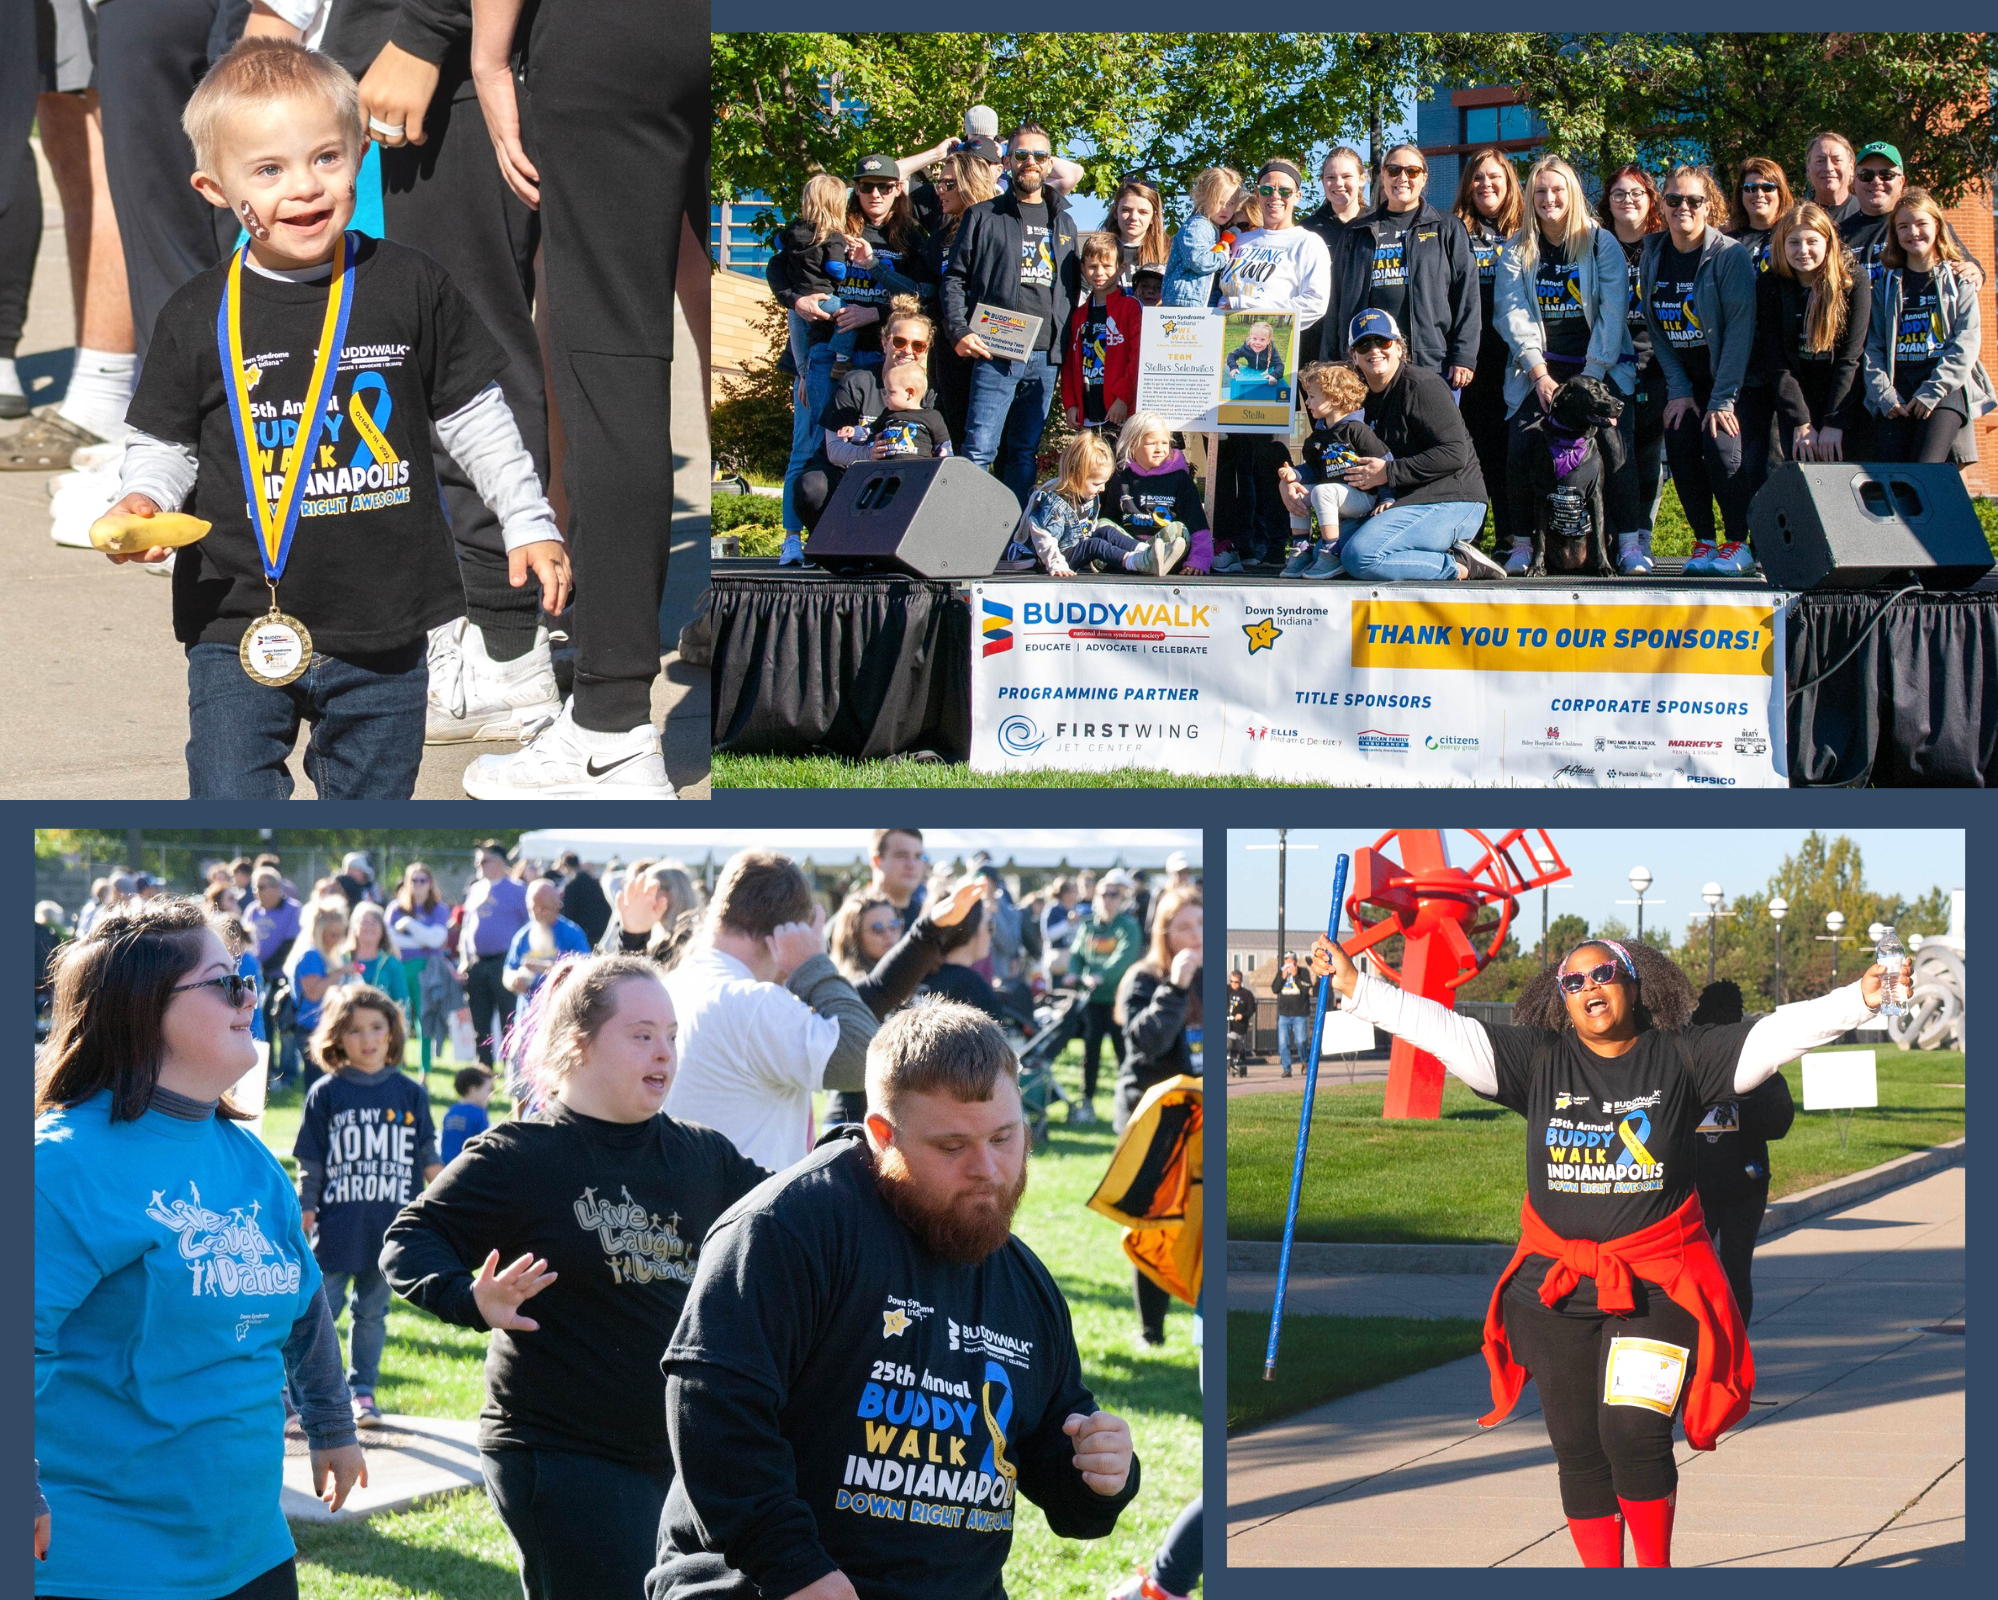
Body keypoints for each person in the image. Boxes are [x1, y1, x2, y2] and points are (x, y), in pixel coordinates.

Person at [1308, 931, 1891, 1567]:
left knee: (1634, 1433)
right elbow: (1448, 1032)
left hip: (1656, 1285)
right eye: (1574, 981)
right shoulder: (1538, 1060)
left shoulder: (1683, 1056)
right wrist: (1358, 990)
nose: (1590, 987)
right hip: (1555, 1289)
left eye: (1605, 973)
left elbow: (1776, 1035)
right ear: (1561, 999)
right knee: (1579, 1448)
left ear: (1636, 984)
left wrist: (1859, 999)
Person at [104, 37, 570, 802]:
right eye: (268, 170)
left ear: (360, 152)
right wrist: (144, 498)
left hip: (388, 624)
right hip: (237, 619)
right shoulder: (197, 314)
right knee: (229, 799)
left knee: (373, 807)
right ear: (215, 189)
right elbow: (165, 440)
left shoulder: (408, 284)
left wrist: (527, 518)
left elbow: (477, 418)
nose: (305, 188)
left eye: (326, 157)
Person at [649, 999, 1141, 1599]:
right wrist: (796, 1568)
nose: (987, 1168)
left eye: (1005, 1136)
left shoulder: (1025, 1283)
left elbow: (1052, 1453)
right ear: (883, 1135)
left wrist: (1099, 1469)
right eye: (952, 1146)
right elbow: (714, 1409)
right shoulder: (787, 1228)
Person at [382, 955, 769, 1600]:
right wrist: (470, 1298)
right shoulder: (521, 1156)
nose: (665, 1053)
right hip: (558, 1449)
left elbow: (784, 1217)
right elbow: (411, 1238)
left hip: (671, 1448)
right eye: (642, 1034)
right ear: (577, 1044)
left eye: (672, 1035)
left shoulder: (703, 1155)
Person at [35, 900, 365, 1599]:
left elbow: (304, 1309)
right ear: (142, 1006)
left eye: (245, 977)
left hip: (249, 1551)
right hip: (102, 1564)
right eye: (226, 983)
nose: (251, 995)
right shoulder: (60, 1167)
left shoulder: (246, 1158)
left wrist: (333, 1422)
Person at [463, 0, 704, 800]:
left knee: (613, 360)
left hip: (614, 35)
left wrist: (491, 55)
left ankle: (610, 727)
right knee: (728, 314)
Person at [661, 848, 879, 1171]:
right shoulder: (752, 1001)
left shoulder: (676, 982)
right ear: (790, 931)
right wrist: (812, 963)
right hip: (744, 1211)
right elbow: (867, 1057)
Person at [295, 983, 440, 1425]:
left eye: (377, 1027)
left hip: (390, 1229)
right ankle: (300, 1394)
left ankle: (363, 1393)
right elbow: (311, 1160)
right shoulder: (326, 1092)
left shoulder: (410, 1093)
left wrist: (449, 1202)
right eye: (356, 1030)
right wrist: (306, 1210)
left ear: (393, 1034)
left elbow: (429, 1157)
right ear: (338, 1037)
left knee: (373, 1313)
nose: (368, 1038)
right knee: (321, 1313)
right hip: (337, 1227)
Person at [1493, 155, 1636, 574]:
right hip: (1537, 370)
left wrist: (1589, 379)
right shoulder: (1518, 248)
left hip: (1598, 367)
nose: (1548, 198)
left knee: (1614, 447)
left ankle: (1626, 543)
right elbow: (1511, 312)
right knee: (1522, 445)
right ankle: (1522, 542)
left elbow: (1613, 311)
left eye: (1557, 189)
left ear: (1571, 193)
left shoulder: (1599, 242)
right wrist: (1540, 375)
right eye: (1540, 191)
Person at [942, 121, 1081, 504]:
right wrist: (958, 330)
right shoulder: (982, 215)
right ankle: (965, 539)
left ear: (1049, 163)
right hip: (994, 348)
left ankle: (1013, 539)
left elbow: (1072, 289)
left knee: (1023, 454)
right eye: (1021, 155)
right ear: (1006, 161)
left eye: (1038, 155)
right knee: (978, 450)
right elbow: (953, 279)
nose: (1030, 162)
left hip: (1045, 355)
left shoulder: (1064, 221)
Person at [1316, 309, 1504, 582]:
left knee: (1361, 557)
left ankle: (1463, 564)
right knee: (1328, 553)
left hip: (1453, 498)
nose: (1374, 350)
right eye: (1364, 344)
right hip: (1402, 500)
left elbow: (1454, 453)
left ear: (1399, 347)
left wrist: (1388, 473)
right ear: (1353, 355)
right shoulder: (1359, 397)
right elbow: (1341, 457)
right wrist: (1300, 483)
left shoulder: (1422, 386)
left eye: (1383, 341)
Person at [1211, 159, 1332, 568]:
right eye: (1266, 189)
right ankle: (1237, 541)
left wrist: (1260, 315)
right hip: (1232, 359)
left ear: (1298, 196)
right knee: (1234, 452)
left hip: (1273, 360)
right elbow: (1221, 291)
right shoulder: (1241, 241)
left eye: (1284, 190)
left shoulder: (1307, 242)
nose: (1274, 197)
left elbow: (1315, 303)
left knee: (1266, 452)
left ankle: (1273, 541)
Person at [1641, 165, 1757, 577]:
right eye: (1674, 200)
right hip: (1683, 381)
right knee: (1679, 443)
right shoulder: (1653, 253)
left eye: (1693, 200)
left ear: (1709, 205)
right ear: (1663, 205)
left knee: (1723, 453)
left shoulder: (1729, 255)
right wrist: (1678, 389)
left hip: (1726, 379)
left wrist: (1722, 398)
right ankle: (1705, 541)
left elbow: (1740, 332)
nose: (1683, 208)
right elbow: (1656, 328)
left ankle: (1738, 543)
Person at [1114, 884, 1202, 1346]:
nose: (1195, 935)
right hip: (1151, 1117)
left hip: (1199, 1119)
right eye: (1184, 926)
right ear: (1164, 933)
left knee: (1197, 1220)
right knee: (1153, 1221)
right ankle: (1152, 1329)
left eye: (1202, 924)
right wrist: (1175, 987)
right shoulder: (1144, 978)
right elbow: (1147, 1043)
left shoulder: (1213, 976)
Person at [1327, 144, 1479, 393]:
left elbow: (1468, 298)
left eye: (1412, 171)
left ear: (1424, 178)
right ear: (1383, 176)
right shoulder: (1357, 232)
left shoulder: (1447, 228)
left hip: (1432, 362)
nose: (1402, 178)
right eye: (1394, 170)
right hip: (1368, 362)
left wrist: (1464, 355)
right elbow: (1337, 302)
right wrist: (1333, 360)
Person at [790, 299, 944, 544]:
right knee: (811, 486)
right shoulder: (856, 382)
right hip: (852, 477)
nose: (908, 351)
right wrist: (868, 453)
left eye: (918, 345)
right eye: (900, 341)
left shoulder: (931, 393)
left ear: (926, 350)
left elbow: (941, 452)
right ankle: (829, 543)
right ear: (884, 343)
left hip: (902, 481)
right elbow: (834, 450)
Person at [1863, 186, 1997, 464]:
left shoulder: (1959, 281)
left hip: (1943, 392)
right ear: (1895, 234)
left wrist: (1932, 390)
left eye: (1921, 223)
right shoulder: (1886, 286)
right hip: (1898, 395)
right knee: (1889, 477)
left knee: (1926, 473)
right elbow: (1873, 347)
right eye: (1903, 226)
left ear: (1937, 225)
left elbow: (1967, 341)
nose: (1913, 232)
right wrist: (1884, 395)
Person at [1687, 981, 1794, 1325]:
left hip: (1741, 1185)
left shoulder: (1752, 1060)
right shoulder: (1687, 1055)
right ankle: (1720, 1349)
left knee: (1731, 1271)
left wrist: (1743, 1098)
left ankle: (1729, 1351)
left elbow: (1778, 1122)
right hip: (1697, 1187)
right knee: (1713, 1273)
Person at [1739, 203, 1869, 472]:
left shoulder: (1852, 280)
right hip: (1796, 401)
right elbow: (1777, 360)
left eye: (1812, 241)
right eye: (1794, 242)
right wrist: (1800, 421)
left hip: (1841, 400)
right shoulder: (1770, 283)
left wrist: (1835, 423)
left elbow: (1850, 358)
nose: (1803, 250)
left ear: (1828, 241)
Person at [1453, 147, 1527, 561]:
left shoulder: (1527, 230)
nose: (1486, 184)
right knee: (1474, 452)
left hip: (1516, 357)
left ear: (1509, 181)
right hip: (1470, 359)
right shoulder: (1454, 230)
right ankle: (1473, 537)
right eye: (1478, 177)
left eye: (1494, 176)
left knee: (1513, 450)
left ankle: (1515, 536)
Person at [1599, 164, 1668, 575]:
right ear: (1608, 202)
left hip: (1657, 363)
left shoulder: (1663, 245)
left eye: (1637, 193)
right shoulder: (1596, 245)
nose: (1628, 200)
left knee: (1649, 455)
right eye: (1619, 193)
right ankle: (1612, 537)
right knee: (1613, 455)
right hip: (1610, 362)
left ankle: (1641, 535)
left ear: (1651, 200)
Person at [1006, 429, 1187, 577]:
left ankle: (1145, 551)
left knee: (1105, 530)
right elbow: (1044, 538)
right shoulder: (1055, 504)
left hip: (1076, 545)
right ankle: (1138, 562)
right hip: (1057, 558)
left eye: (1103, 483)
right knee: (1095, 545)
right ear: (1074, 477)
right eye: (1096, 484)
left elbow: (1090, 528)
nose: (1101, 489)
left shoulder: (1087, 494)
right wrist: (1056, 564)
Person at [914, 149, 999, 453]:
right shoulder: (939, 237)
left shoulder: (999, 226)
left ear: (971, 185)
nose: (939, 191)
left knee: (994, 442)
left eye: (948, 184)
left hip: (994, 344)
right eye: (939, 183)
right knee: (959, 436)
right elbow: (929, 288)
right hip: (950, 347)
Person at [1276, 361, 1388, 578]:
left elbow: (1385, 463)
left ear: (1335, 399)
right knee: (1298, 491)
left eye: (1312, 396)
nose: (1307, 402)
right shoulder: (1318, 436)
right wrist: (1295, 475)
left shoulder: (1358, 431)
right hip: (1333, 497)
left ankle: (1332, 551)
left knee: (1322, 491)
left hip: (1363, 498)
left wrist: (1387, 498)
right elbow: (1314, 469)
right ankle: (1301, 548)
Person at [1067, 870, 1145, 1127]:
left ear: (1121, 898)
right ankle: (1086, 1102)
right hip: (1092, 1000)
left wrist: (1100, 975)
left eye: (1114, 894)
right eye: (1103, 893)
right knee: (1091, 1052)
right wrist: (1075, 973)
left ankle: (1131, 1103)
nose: (1108, 899)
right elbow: (1077, 954)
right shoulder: (1088, 925)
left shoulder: (1128, 926)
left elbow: (1124, 957)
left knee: (1124, 1052)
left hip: (1118, 1001)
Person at [1105, 412, 1212, 574]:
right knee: (1103, 525)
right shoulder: (1121, 477)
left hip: (1166, 549)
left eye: (1164, 443)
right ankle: (1139, 560)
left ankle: (1151, 561)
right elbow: (1111, 517)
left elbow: (1197, 522)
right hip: (1131, 548)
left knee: (1179, 529)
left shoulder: (1179, 479)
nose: (1160, 449)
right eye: (1151, 443)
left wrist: (1199, 560)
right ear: (1132, 445)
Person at [1063, 233, 1141, 434]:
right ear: (1083, 269)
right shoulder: (1079, 314)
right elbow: (1070, 362)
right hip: (1088, 413)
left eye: (1107, 266)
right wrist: (1071, 403)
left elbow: (1138, 357)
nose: (1099, 273)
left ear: (1121, 268)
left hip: (1120, 412)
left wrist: (1123, 398)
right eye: (1092, 266)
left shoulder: (1130, 308)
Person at [460, 842, 529, 1067]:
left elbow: (529, 927)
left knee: (508, 1020)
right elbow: (466, 927)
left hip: (505, 962)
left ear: (499, 862)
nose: (479, 865)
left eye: (484, 860)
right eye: (478, 861)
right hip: (478, 964)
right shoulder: (476, 889)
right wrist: (464, 958)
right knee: (480, 1021)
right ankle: (484, 1069)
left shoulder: (518, 890)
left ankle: (512, 1069)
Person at [392, 860, 458, 1075]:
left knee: (425, 1020)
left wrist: (409, 926)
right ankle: (396, 1066)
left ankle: (425, 1071)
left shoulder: (438, 909)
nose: (419, 884)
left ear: (430, 883)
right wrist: (422, 939)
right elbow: (391, 939)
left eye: (423, 879)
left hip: (428, 970)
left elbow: (437, 939)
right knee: (398, 1018)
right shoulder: (396, 908)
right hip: (400, 968)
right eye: (414, 880)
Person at [285, 898, 351, 1096]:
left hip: (328, 1026)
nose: (337, 940)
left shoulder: (328, 954)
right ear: (319, 932)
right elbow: (313, 993)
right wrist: (339, 973)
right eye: (332, 935)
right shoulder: (310, 955)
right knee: (318, 1086)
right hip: (312, 1029)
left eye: (340, 935)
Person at [1162, 165, 1241, 308]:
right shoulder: (1198, 226)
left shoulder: (1212, 226)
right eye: (1219, 202)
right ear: (1203, 199)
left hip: (1197, 297)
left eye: (1231, 203)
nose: (1225, 208)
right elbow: (1197, 260)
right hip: (1185, 299)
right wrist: (1222, 257)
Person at [504, 879, 594, 1001]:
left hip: (559, 1009)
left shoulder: (572, 933)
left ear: (557, 905)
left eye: (544, 908)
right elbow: (508, 971)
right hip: (528, 1012)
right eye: (533, 908)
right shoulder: (523, 935)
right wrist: (514, 980)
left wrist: (548, 969)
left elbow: (586, 970)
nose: (538, 912)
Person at [340, 900, 411, 1026]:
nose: (369, 927)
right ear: (354, 927)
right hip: (347, 1026)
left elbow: (402, 1001)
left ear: (383, 930)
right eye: (364, 922)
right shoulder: (342, 960)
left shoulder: (391, 963)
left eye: (374, 923)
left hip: (381, 1028)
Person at [871, 359, 954, 458]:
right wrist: (854, 432)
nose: (886, 396)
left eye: (891, 392)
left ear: (910, 393)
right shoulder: (887, 414)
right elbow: (869, 432)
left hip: (918, 469)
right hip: (887, 469)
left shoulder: (932, 417)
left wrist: (944, 467)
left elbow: (944, 447)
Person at [1724, 159, 1792, 276]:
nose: (1759, 194)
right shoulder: (1727, 244)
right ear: (1741, 194)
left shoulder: (1792, 237)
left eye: (1767, 187)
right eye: (1751, 188)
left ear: (1781, 193)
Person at [1107, 176, 1169, 289]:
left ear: (1153, 218)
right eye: (1126, 210)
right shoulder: (1099, 250)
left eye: (1143, 212)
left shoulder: (1169, 251)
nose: (1134, 217)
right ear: (1116, 212)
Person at [441, 1065, 496, 1165]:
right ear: (472, 1089)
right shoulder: (479, 1113)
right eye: (488, 1090)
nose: (491, 1095)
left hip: (447, 1167)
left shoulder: (451, 1111)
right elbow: (486, 1144)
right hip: (468, 1166)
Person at [555, 852, 612, 948]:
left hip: (582, 931)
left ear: (566, 867)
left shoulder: (571, 885)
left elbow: (568, 912)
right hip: (600, 929)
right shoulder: (595, 882)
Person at [1271, 952, 1312, 1077]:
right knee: (1283, 1043)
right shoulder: (1281, 972)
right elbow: (1275, 989)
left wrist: (1296, 977)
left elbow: (1306, 989)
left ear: (1296, 962)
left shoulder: (1303, 972)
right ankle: (1286, 1069)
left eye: (1292, 961)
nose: (1289, 963)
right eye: (1287, 960)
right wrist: (1282, 978)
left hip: (1300, 1013)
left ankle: (1305, 1062)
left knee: (1301, 1041)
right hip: (1284, 1014)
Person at [1804, 131, 1859, 224]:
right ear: (1808, 170)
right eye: (1820, 161)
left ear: (1851, 168)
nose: (1828, 168)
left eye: (1837, 160)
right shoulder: (1798, 218)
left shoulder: (1866, 211)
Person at [1227, 969, 1259, 1075]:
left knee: (1237, 1045)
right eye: (1232, 981)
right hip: (1227, 1024)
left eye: (1236, 982)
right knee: (1229, 1043)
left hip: (1239, 1026)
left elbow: (1251, 1009)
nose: (1233, 984)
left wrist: (1242, 1015)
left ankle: (1239, 1064)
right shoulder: (1226, 991)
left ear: (1240, 982)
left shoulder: (1246, 994)